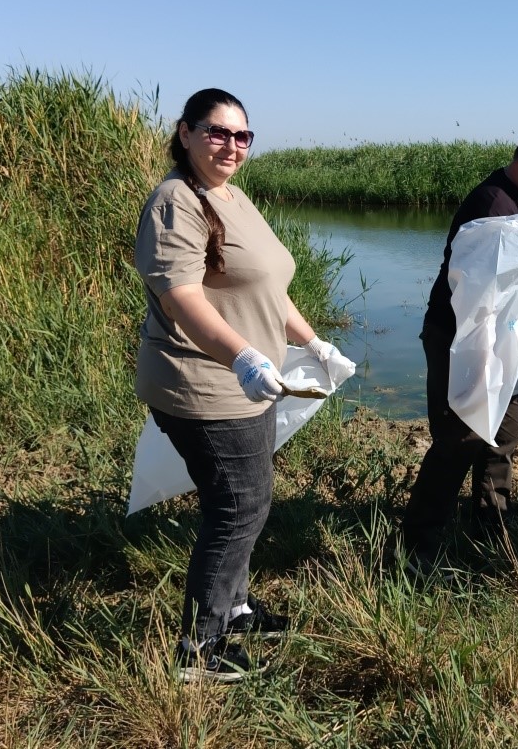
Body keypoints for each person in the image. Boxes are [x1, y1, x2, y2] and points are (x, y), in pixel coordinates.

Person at [134, 88, 339, 682]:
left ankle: (237, 606)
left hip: (251, 384)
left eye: (243, 135)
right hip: (204, 381)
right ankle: (200, 649)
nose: (232, 145)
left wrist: (312, 342)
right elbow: (180, 296)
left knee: (247, 495)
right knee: (238, 505)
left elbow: (269, 289)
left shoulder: (231, 195)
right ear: (186, 133)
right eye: (218, 132)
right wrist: (244, 356)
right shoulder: (177, 200)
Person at [401, 123, 518, 575]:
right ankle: (416, 546)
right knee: (458, 439)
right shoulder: (491, 204)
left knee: (505, 432)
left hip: (508, 337)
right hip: (460, 336)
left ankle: (490, 517)